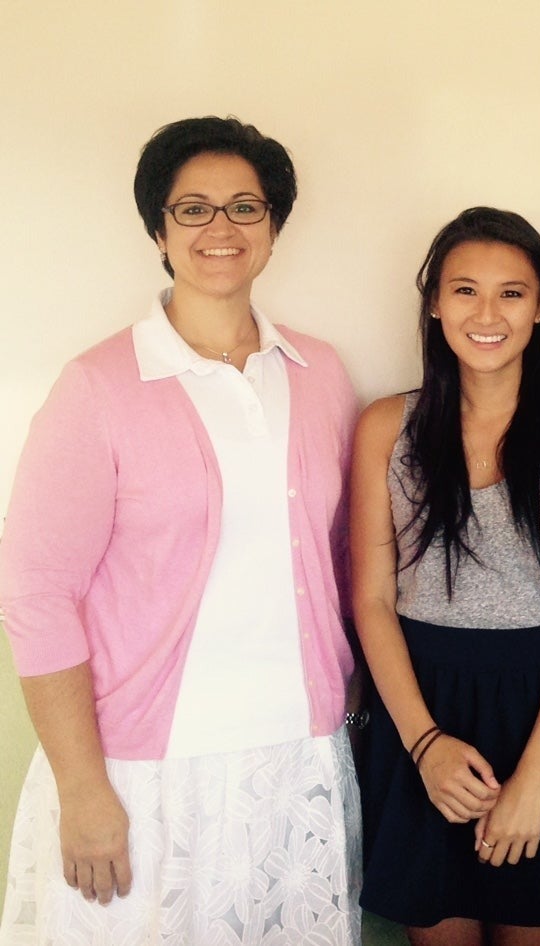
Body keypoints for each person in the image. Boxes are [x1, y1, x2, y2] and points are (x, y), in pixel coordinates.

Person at [0, 117, 362, 943]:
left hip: (295, 757)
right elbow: (34, 592)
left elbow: (346, 556)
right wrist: (84, 790)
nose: (221, 228)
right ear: (158, 229)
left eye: (245, 206)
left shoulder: (320, 372)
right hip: (139, 774)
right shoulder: (98, 386)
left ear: (274, 226)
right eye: (192, 209)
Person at [352, 207, 540, 946]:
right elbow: (371, 597)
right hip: (423, 710)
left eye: (512, 293)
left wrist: (534, 780)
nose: (487, 314)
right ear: (432, 300)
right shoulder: (386, 426)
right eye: (464, 290)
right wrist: (424, 746)